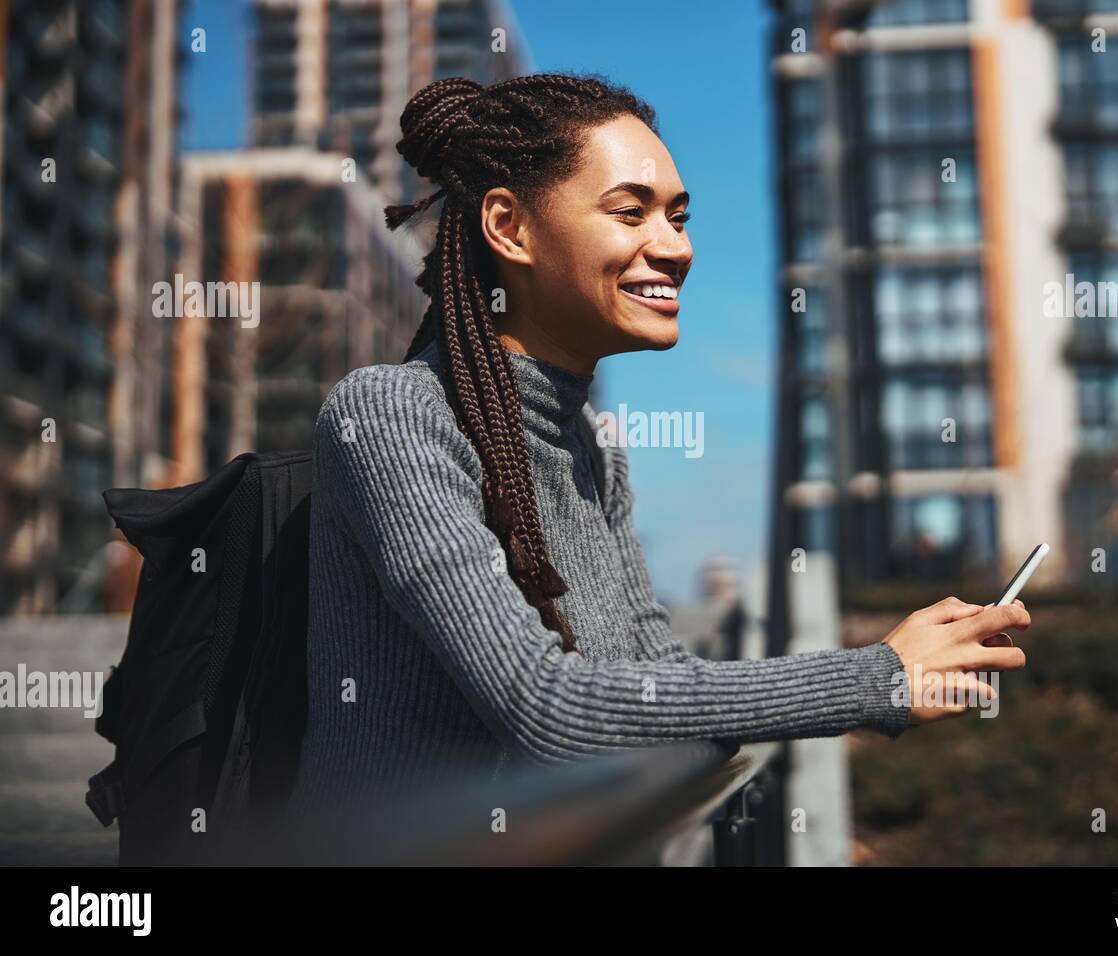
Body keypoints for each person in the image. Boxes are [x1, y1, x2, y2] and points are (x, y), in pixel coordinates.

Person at [286, 73, 1030, 815]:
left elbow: (657, 673)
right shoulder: (391, 414)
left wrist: (861, 679)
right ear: (510, 228)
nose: (675, 248)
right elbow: (543, 706)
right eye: (630, 212)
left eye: (678, 217)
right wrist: (878, 677)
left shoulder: (594, 448)